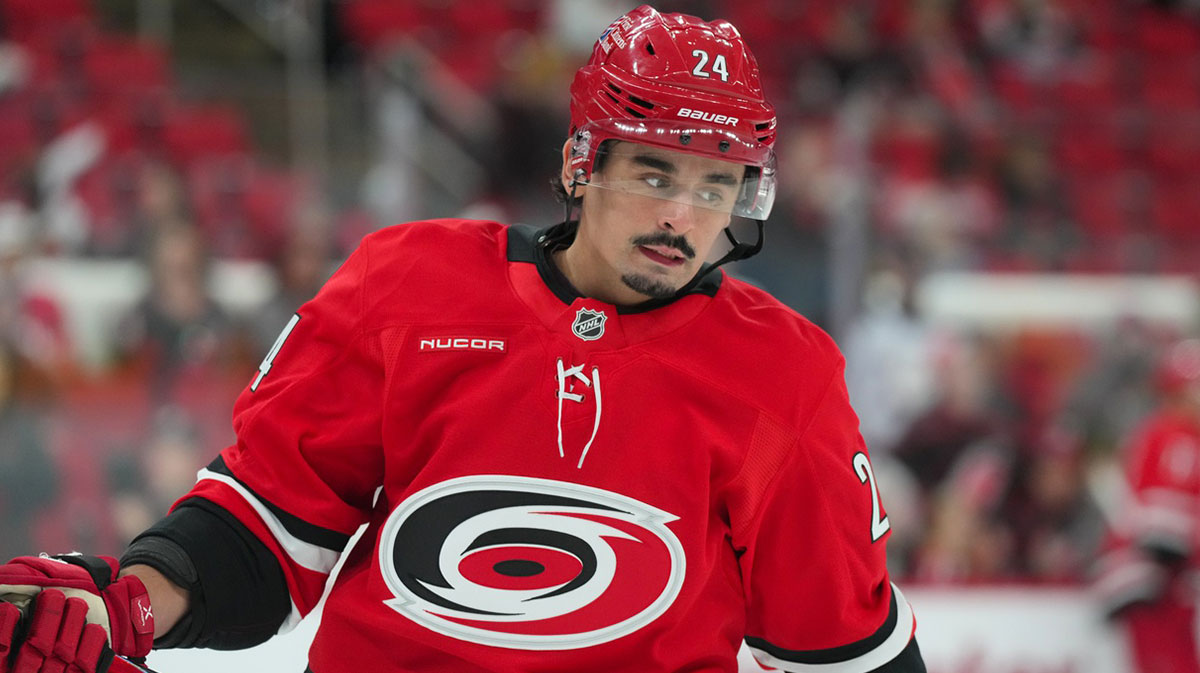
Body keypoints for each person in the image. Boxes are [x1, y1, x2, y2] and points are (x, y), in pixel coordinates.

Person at [0, 6, 925, 673]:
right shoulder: (407, 288)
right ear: (582, 162)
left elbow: (838, 652)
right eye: (653, 170)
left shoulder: (783, 375)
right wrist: (129, 603)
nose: (683, 214)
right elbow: (270, 534)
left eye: (715, 184)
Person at [1094, 338, 1200, 673]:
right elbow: (1164, 538)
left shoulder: (1159, 432)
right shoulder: (1175, 435)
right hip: (1154, 582)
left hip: (1151, 579)